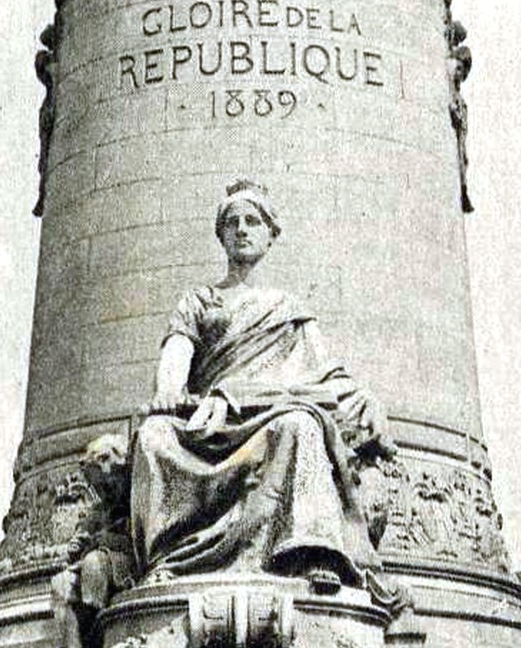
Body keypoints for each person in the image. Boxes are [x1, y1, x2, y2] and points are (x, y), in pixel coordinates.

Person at [130, 180, 391, 589]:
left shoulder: (286, 308)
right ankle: (169, 559)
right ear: (221, 236)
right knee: (154, 435)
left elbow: (328, 374)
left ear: (270, 236)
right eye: (232, 222)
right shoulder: (199, 301)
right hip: (209, 421)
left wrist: (366, 400)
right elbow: (175, 361)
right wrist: (169, 391)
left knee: (301, 425)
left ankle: (312, 551)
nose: (242, 229)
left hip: (267, 414)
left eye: (253, 221)